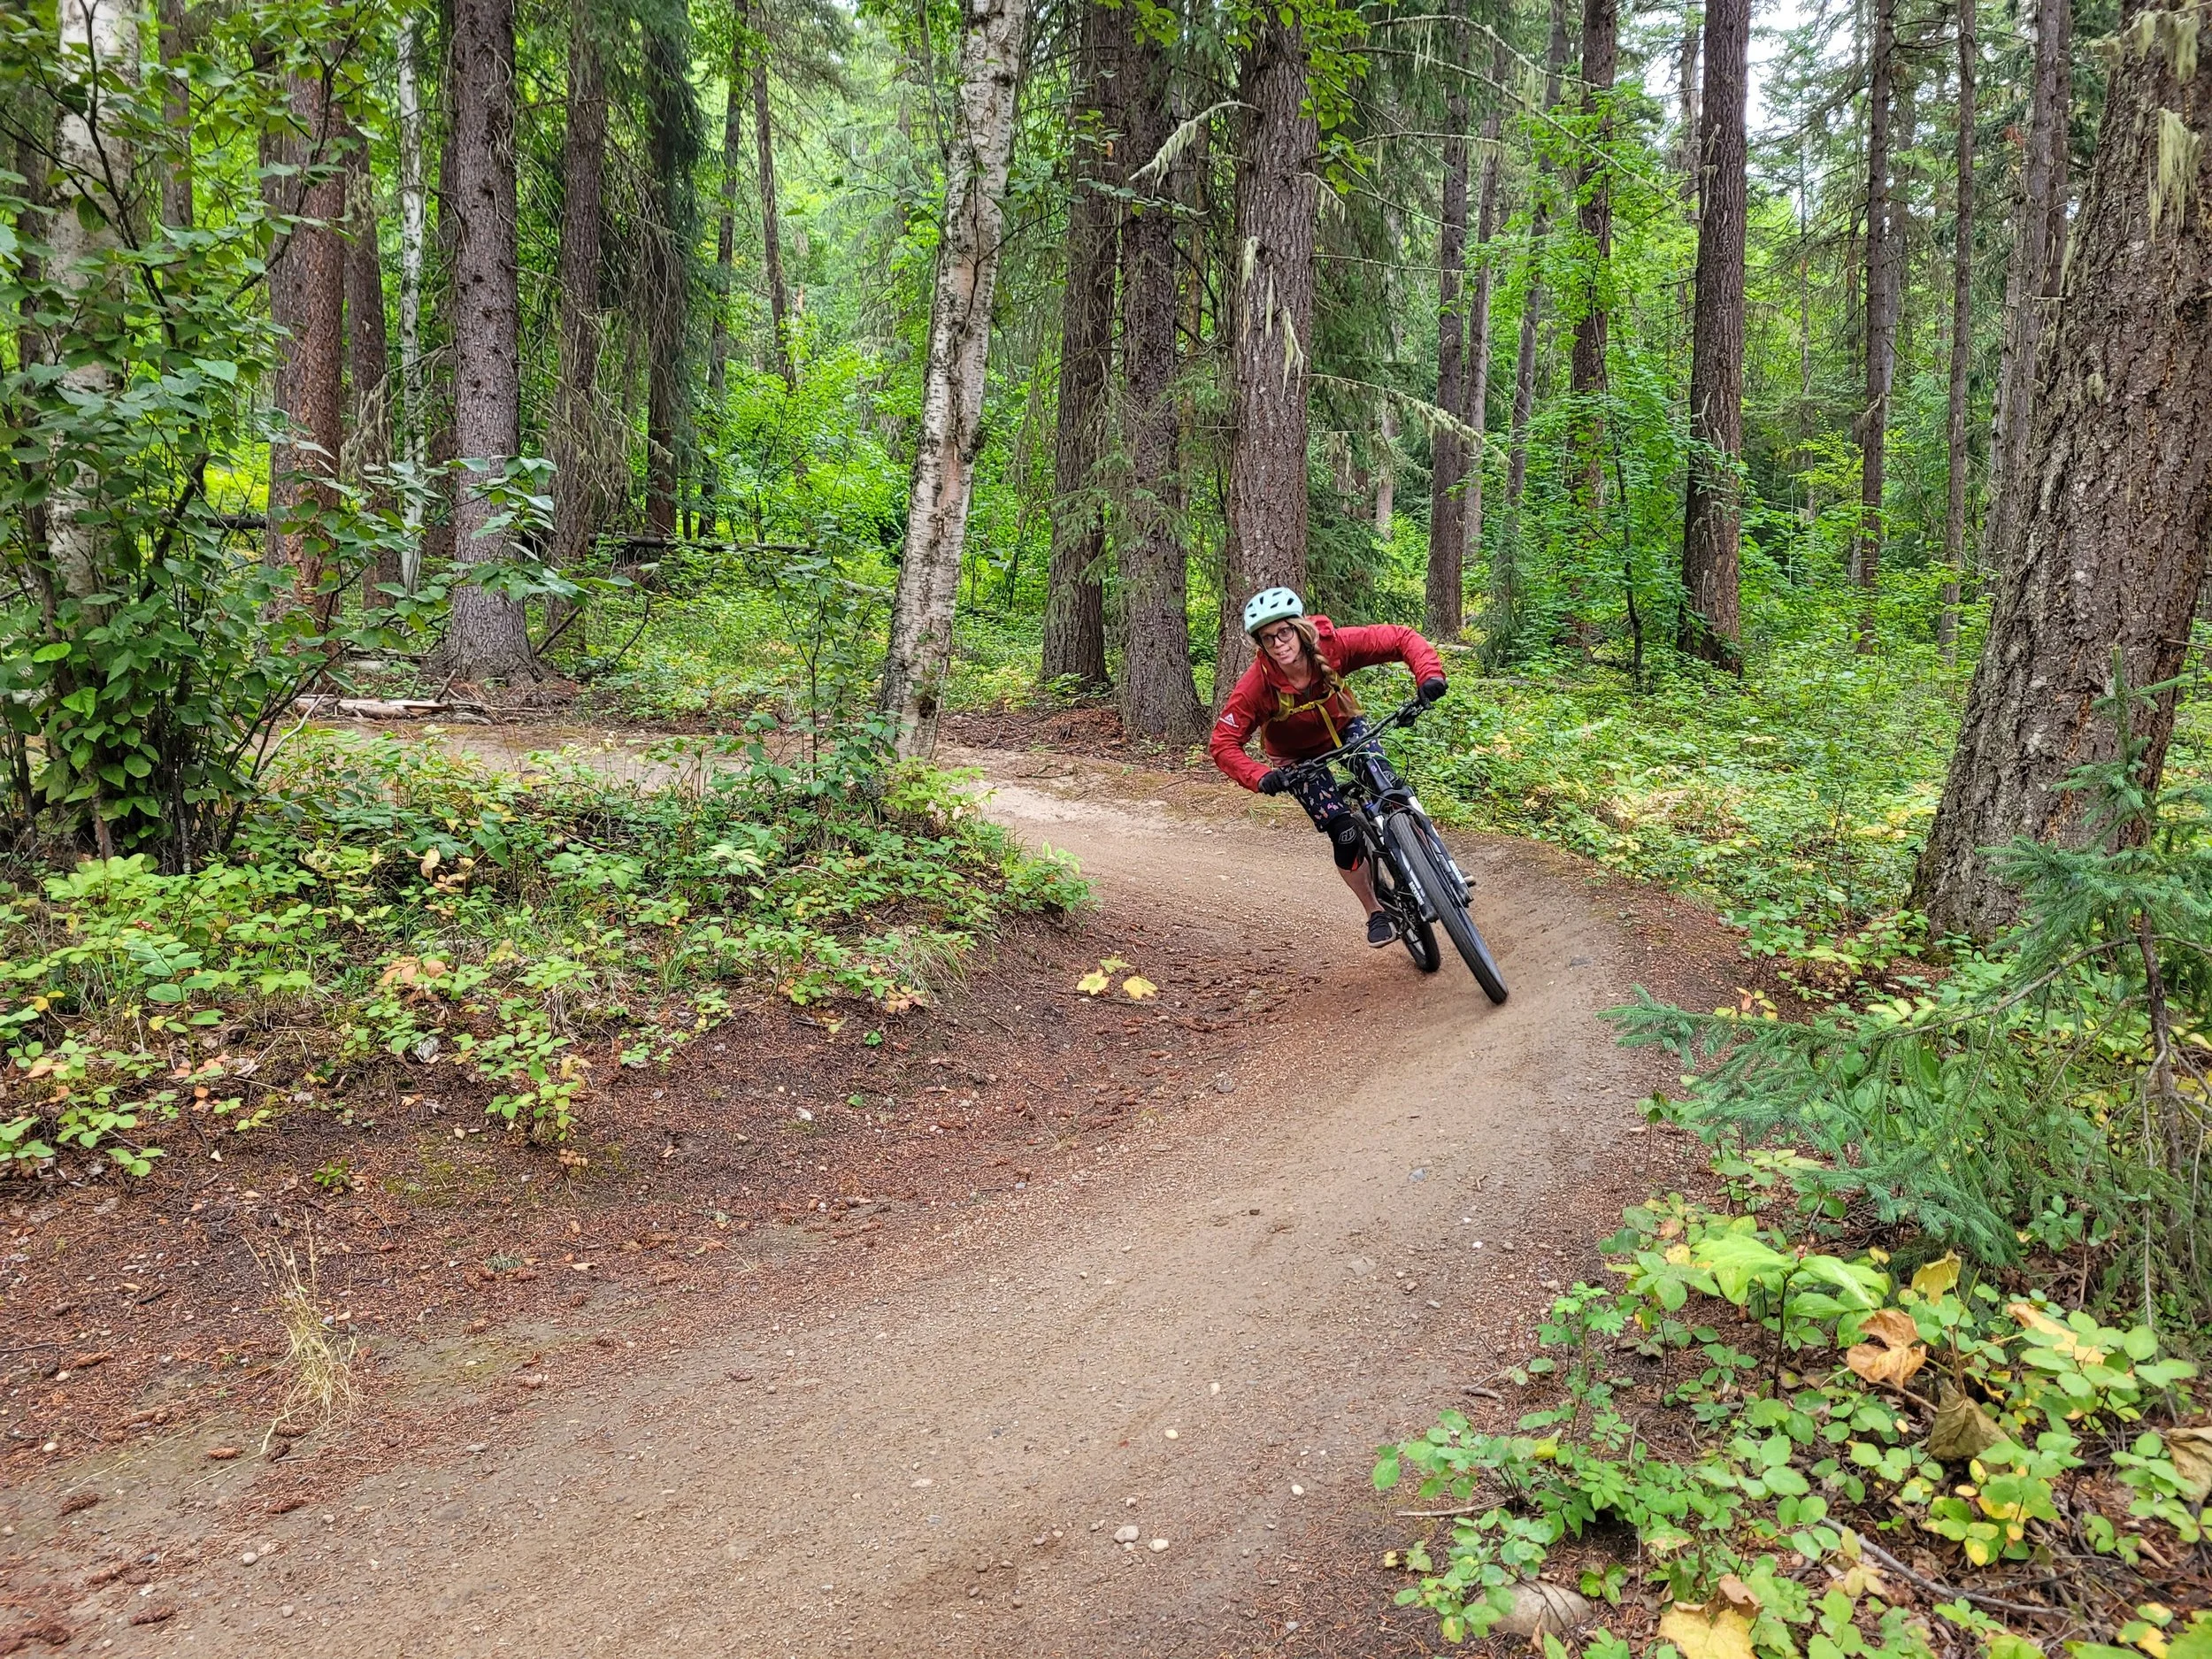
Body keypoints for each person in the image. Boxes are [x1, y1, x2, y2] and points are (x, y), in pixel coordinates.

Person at [1210, 588, 1448, 947]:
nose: (1278, 644)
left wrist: (1429, 676)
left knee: (1389, 790)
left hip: (1346, 730)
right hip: (1298, 761)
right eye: (1267, 638)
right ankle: (1375, 911)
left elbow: (1401, 638)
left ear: (1299, 628)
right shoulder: (1256, 686)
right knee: (1343, 831)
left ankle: (1439, 866)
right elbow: (1223, 743)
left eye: (1283, 632)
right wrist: (1262, 776)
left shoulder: (1332, 647)